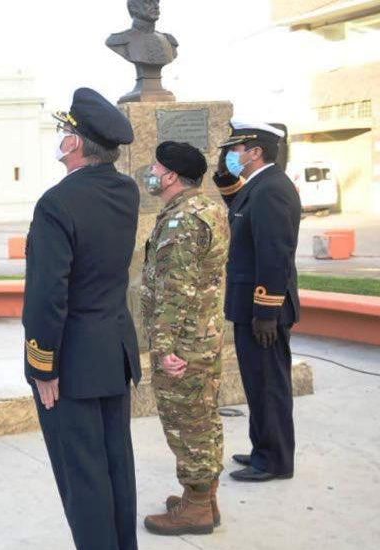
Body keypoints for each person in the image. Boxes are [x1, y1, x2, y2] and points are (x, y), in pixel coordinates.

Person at [23, 87, 142, 550]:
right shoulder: (126, 190)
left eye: (64, 131)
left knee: (83, 477)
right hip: (112, 353)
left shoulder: (57, 202)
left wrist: (42, 364)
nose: (61, 138)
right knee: (116, 467)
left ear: (74, 144)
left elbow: (48, 294)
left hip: (71, 361)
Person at [139, 141, 229, 535]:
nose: (151, 172)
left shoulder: (183, 220)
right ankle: (204, 497)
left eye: (156, 167)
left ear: (172, 176)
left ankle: (196, 509)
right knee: (204, 418)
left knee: (186, 424)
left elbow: (176, 290)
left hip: (184, 345)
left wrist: (164, 349)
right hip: (203, 337)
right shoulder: (207, 208)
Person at [212, 121, 301, 482]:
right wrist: (222, 174)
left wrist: (266, 312)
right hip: (251, 306)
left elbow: (274, 254)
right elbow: (239, 207)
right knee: (257, 382)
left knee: (269, 384)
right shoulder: (259, 186)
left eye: (236, 150)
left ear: (255, 152)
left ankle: (275, 460)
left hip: (263, 310)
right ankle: (262, 448)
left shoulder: (272, 190)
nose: (233, 155)